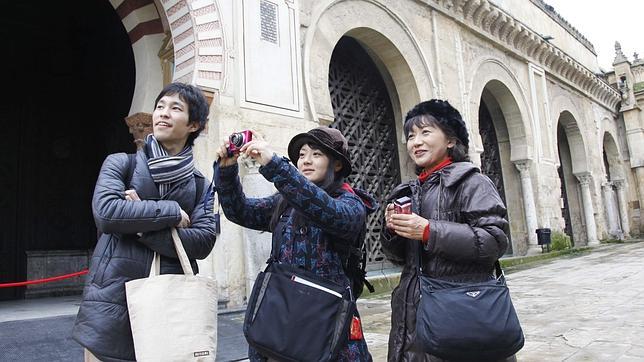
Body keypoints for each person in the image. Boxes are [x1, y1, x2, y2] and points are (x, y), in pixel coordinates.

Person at [73, 82, 217, 362]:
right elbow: (106, 213)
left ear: (194, 124)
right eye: (159, 106)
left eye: (175, 108)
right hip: (110, 304)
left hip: (171, 308)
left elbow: (202, 242)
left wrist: (139, 223)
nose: (163, 113)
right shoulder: (120, 164)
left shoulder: (202, 186)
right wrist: (171, 212)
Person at [214, 127, 376, 361]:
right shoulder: (285, 200)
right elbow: (241, 212)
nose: (306, 161)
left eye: (317, 154)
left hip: (326, 321)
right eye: (301, 155)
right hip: (282, 316)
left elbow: (327, 211)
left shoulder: (351, 202)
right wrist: (227, 169)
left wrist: (275, 164)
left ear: (337, 164)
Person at [381, 100, 512, 361]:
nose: (416, 142)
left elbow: (494, 241)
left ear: (451, 140)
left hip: (461, 313)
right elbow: (399, 259)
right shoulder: (407, 191)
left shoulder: (473, 183)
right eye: (410, 136)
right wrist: (393, 232)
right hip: (412, 316)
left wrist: (430, 231)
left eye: (425, 132)